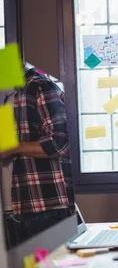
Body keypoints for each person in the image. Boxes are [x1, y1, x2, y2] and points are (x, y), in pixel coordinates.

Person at [0, 62, 74, 249]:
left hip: (42, 205)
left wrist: (14, 148)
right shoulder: (5, 94)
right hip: (13, 207)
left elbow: (61, 142)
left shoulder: (40, 86)